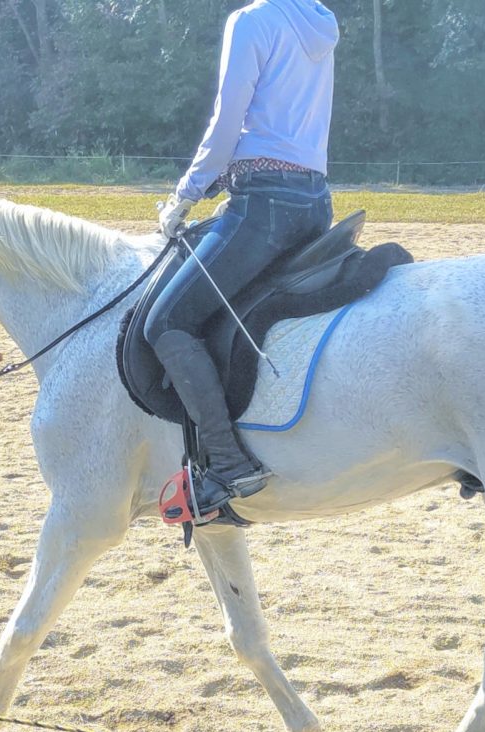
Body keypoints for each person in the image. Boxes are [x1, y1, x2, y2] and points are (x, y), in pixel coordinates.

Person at [146, 0, 338, 513]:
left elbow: (228, 117)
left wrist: (185, 193)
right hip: (316, 201)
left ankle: (229, 463)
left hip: (263, 207)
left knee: (167, 321)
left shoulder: (251, 21)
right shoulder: (321, 21)